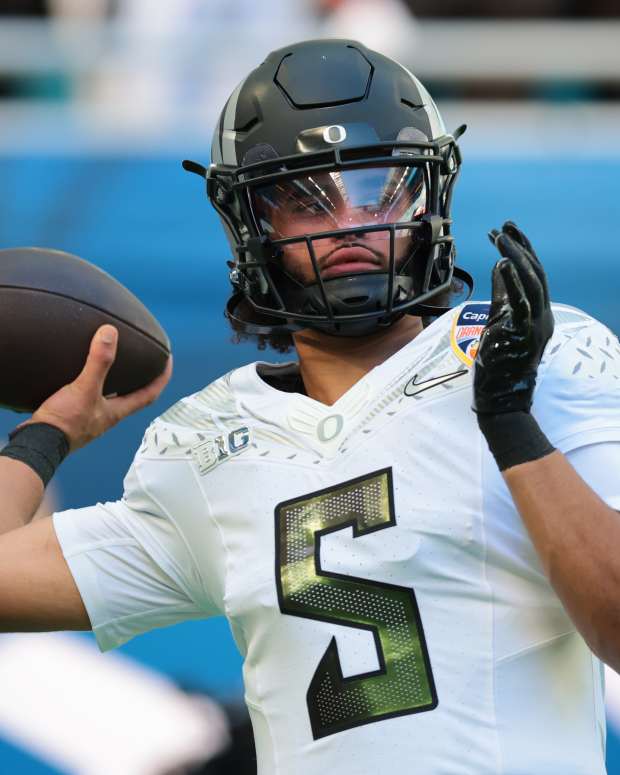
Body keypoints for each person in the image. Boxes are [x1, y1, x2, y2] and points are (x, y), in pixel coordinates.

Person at [1, 38, 620, 775]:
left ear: (429, 198)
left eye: (379, 188)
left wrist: (514, 424)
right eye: (305, 200)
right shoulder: (207, 444)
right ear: (250, 224)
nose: (351, 222)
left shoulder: (537, 352)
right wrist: (45, 434)